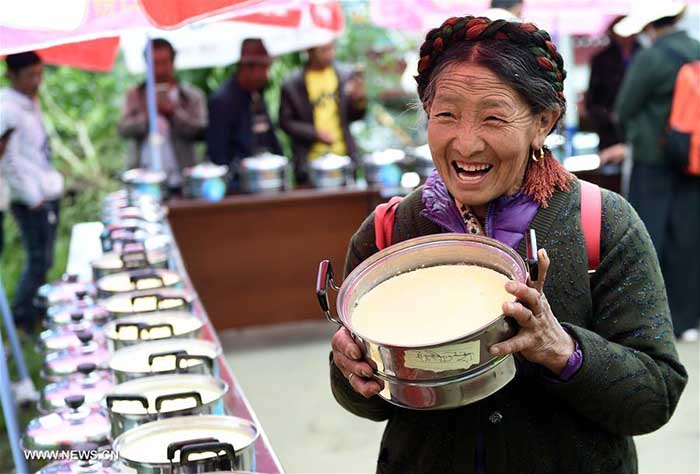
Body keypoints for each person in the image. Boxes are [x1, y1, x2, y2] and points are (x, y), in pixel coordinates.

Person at [329, 16, 687, 473]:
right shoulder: (391, 233)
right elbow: (373, 404)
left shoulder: (603, 224)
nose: (466, 142)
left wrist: (561, 350)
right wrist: (351, 373)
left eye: (494, 117)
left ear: (544, 122)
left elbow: (655, 397)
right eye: (446, 115)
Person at [614, 0, 700, 341]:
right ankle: (688, 320)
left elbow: (624, 107)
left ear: (650, 24)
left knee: (648, 237)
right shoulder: (696, 49)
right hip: (693, 161)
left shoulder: (651, 57)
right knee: (689, 239)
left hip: (654, 161)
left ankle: (654, 319)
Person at [0, 52, 64, 332]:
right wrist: (31, 197)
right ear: (11, 75)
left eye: (40, 74)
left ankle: (36, 313)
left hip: (44, 188)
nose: (37, 82)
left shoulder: (29, 103)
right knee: (37, 258)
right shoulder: (7, 108)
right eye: (30, 76)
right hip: (29, 197)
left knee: (45, 258)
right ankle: (22, 318)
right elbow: (7, 159)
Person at [118, 38, 208, 192]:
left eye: (163, 62)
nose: (159, 69)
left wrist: (173, 113)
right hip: (145, 179)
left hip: (183, 178)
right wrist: (147, 115)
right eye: (154, 63)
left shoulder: (191, 95)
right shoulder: (135, 95)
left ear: (172, 62)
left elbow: (201, 131)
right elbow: (124, 129)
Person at [279, 41, 367, 184]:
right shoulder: (293, 83)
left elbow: (356, 116)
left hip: (343, 157)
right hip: (310, 162)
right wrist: (315, 133)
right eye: (324, 50)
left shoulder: (345, 75)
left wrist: (359, 100)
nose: (330, 54)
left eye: (332, 48)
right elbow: (285, 122)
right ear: (309, 51)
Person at [207, 38, 282, 187]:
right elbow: (218, 154)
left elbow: (268, 136)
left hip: (264, 178)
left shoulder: (256, 94)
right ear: (247, 69)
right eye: (263, 69)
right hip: (241, 186)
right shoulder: (223, 101)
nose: (266, 75)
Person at [585, 16, 639, 165]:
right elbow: (592, 100)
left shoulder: (645, 53)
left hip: (640, 132)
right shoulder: (602, 59)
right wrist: (607, 117)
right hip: (610, 133)